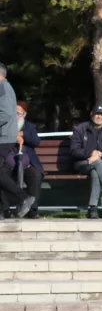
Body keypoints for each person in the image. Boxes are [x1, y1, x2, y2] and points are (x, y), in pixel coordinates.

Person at [69, 105, 102, 219]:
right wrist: (90, 154)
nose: (99, 116)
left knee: (96, 170)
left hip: (100, 165)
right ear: (91, 114)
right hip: (82, 163)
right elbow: (74, 151)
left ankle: (93, 209)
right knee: (98, 164)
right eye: (97, 114)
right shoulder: (80, 129)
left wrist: (100, 155)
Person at [0, 63, 34, 218]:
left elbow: (6, 114)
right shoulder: (6, 87)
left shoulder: (2, 87)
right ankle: (5, 208)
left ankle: (23, 197)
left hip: (3, 137)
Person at [1, 101, 43, 218]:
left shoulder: (29, 126)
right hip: (7, 162)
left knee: (36, 175)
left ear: (24, 114)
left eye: (19, 113)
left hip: (26, 162)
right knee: (1, 175)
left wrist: (23, 134)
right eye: (13, 113)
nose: (16, 116)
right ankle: (5, 209)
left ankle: (32, 209)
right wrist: (12, 137)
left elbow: (36, 141)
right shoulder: (5, 125)